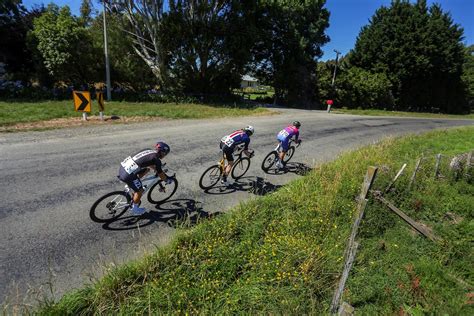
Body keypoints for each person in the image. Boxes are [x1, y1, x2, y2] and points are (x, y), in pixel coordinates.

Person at [118, 142, 172, 215]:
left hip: (123, 168)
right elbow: (161, 175)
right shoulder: (157, 160)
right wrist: (167, 180)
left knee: (146, 169)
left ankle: (132, 184)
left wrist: (155, 168)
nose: (165, 155)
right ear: (162, 152)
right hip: (127, 175)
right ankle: (135, 208)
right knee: (140, 190)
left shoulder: (148, 150)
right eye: (165, 153)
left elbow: (147, 162)